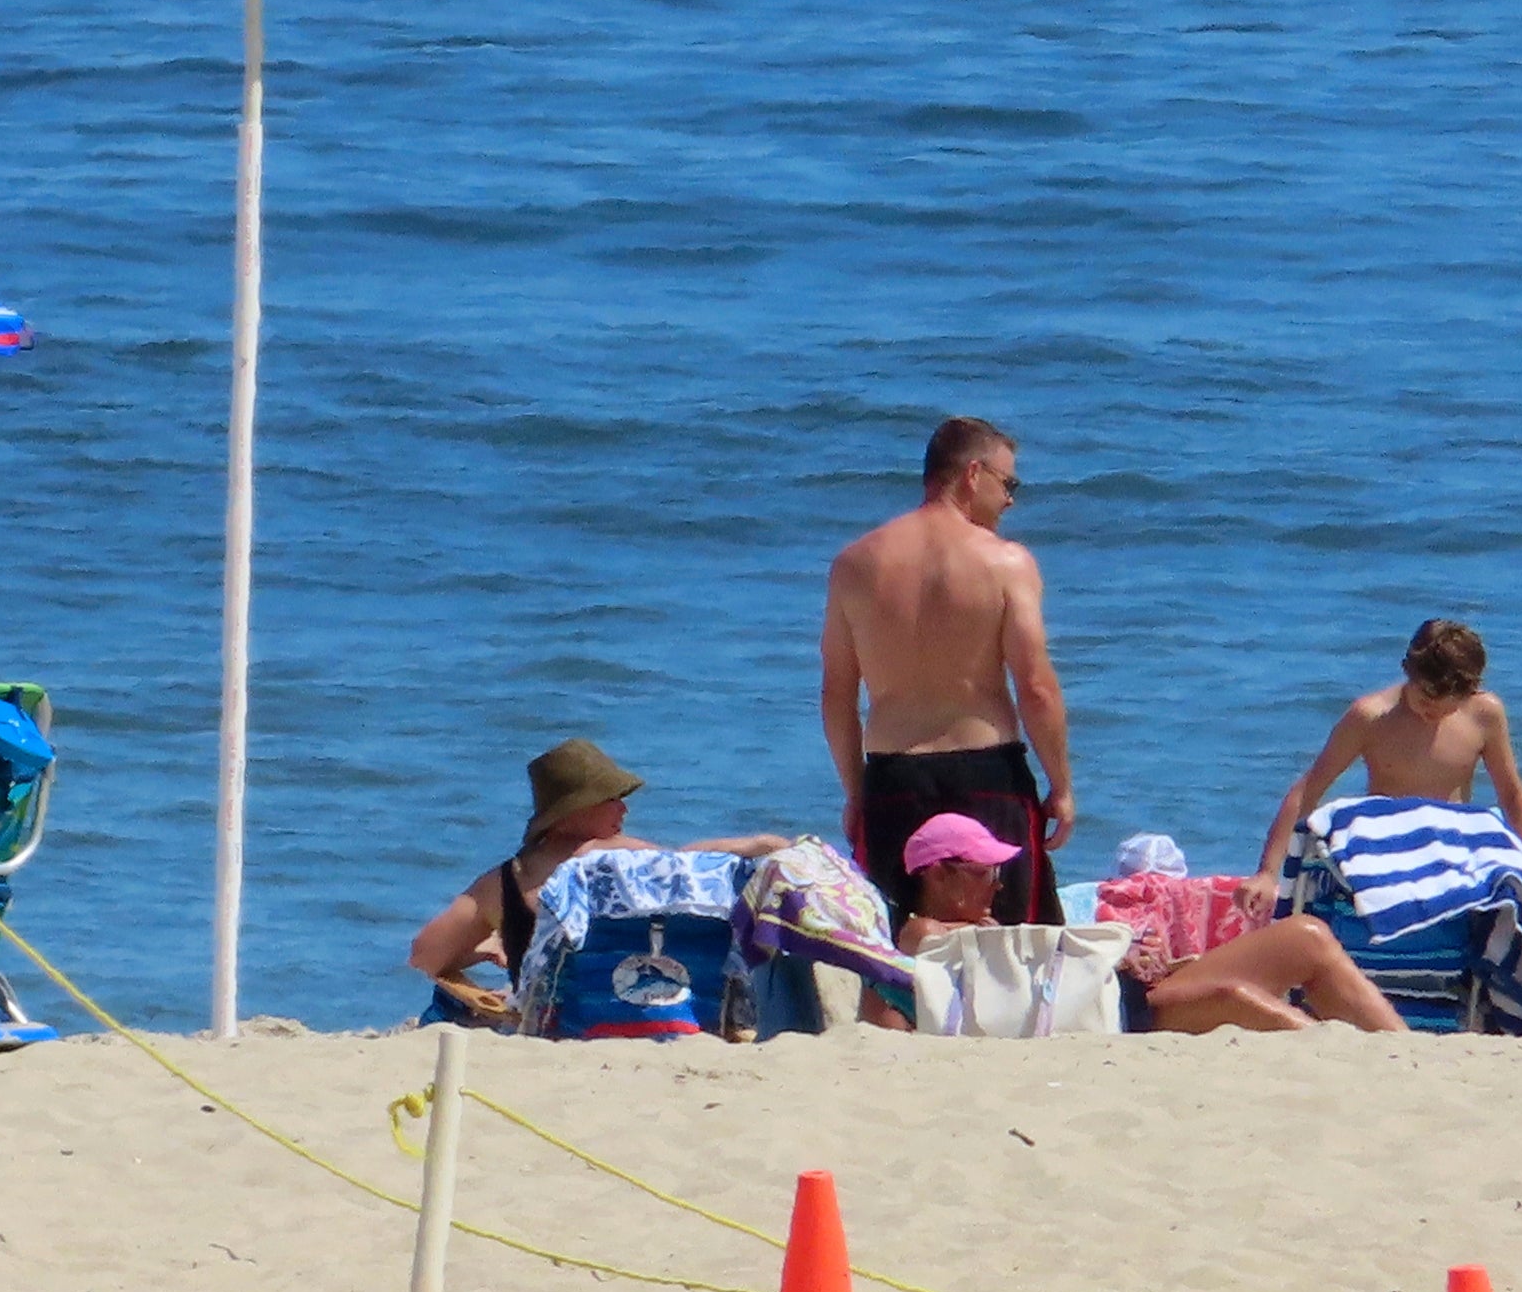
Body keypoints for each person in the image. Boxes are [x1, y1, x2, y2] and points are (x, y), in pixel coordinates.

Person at [822, 415, 1077, 926]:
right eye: (1009, 484)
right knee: (1011, 944)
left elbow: (837, 695)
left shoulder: (854, 564)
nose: (1010, 501)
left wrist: (855, 793)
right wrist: (1061, 786)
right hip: (987, 776)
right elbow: (1035, 687)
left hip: (892, 779)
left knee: (897, 947)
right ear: (972, 474)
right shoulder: (1004, 563)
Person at [405, 737, 788, 1024]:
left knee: (445, 1004)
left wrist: (486, 948)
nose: (624, 808)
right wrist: (753, 844)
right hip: (651, 1014)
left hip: (558, 1025)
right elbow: (689, 860)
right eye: (611, 799)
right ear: (576, 809)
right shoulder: (632, 858)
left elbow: (426, 956)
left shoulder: (505, 882)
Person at [903, 815, 1394, 1034]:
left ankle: (1405, 1053)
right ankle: (1342, 1059)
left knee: (1305, 937)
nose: (998, 885)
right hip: (1123, 1013)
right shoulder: (922, 932)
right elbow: (924, 949)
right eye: (986, 872)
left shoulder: (985, 930)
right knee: (1235, 998)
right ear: (938, 874)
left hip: (1133, 987)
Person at [1258, 619, 1522, 885]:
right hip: (1388, 846)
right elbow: (1309, 789)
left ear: (1469, 692)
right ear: (1408, 671)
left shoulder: (1484, 715)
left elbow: (1511, 796)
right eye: (1425, 700)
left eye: (1446, 707)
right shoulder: (1371, 717)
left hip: (1452, 847)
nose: (1432, 713)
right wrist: (1268, 873)